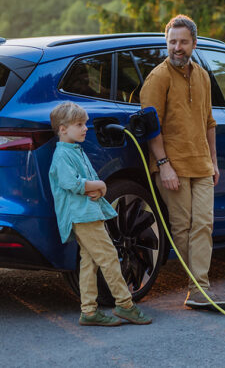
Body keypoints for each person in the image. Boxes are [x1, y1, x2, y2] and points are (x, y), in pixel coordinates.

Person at [139, 15, 225, 311]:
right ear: (166, 43)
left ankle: (199, 289)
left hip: (202, 164)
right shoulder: (158, 77)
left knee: (204, 224)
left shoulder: (202, 76)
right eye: (172, 42)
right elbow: (151, 127)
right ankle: (199, 289)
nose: (177, 47)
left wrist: (214, 161)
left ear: (194, 43)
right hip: (172, 166)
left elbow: (209, 121)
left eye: (183, 42)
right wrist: (163, 164)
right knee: (182, 227)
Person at [48, 101, 153, 326]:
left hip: (88, 212)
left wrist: (96, 189)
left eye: (84, 124)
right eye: (79, 124)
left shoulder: (75, 150)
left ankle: (89, 311)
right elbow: (71, 183)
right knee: (109, 257)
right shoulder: (62, 155)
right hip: (82, 215)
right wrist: (99, 185)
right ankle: (125, 305)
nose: (85, 128)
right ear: (63, 129)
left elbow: (85, 182)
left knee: (90, 262)